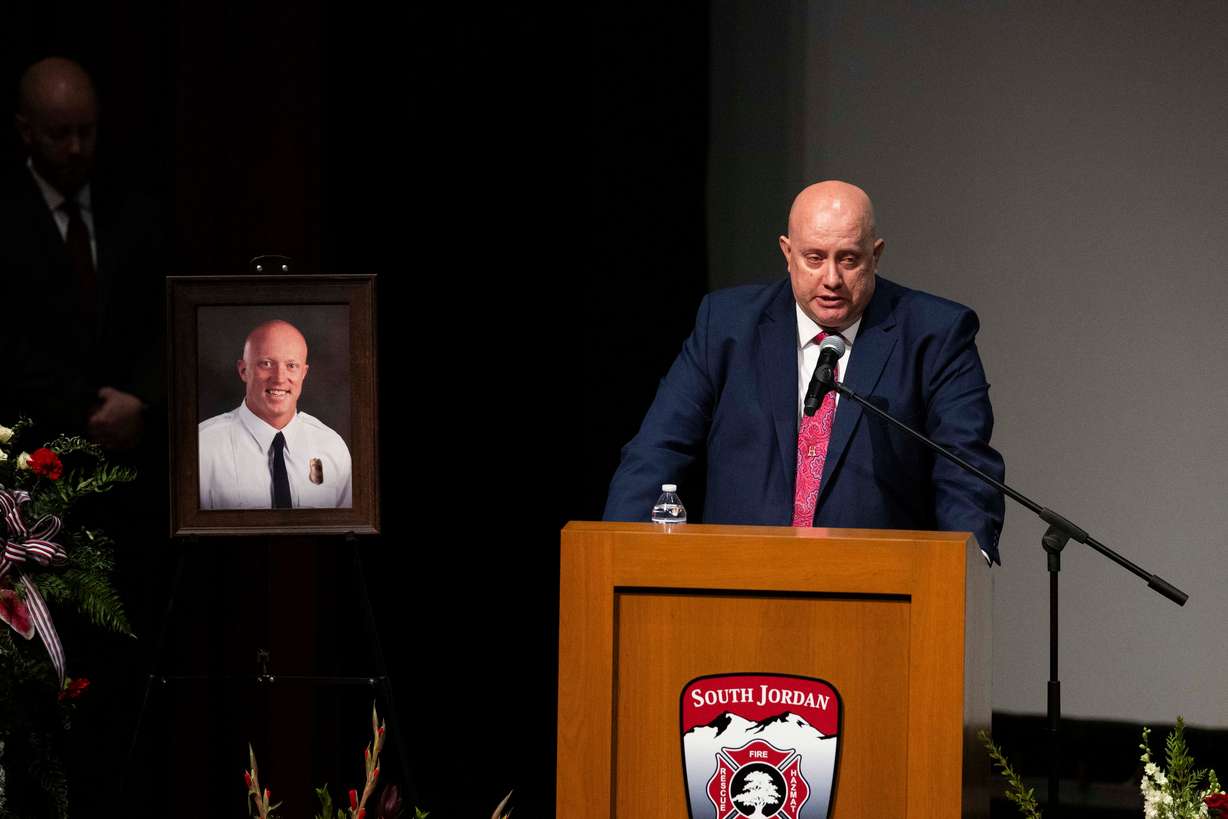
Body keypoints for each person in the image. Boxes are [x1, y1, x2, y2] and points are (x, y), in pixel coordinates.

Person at [603, 180, 1006, 563]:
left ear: (876, 254)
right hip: (739, 582)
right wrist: (620, 552)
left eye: (849, 259)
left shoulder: (934, 335)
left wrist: (966, 562)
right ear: (787, 252)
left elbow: (963, 464)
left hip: (880, 587)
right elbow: (658, 448)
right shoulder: (726, 326)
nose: (831, 279)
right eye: (814, 258)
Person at [0, 56, 163, 448]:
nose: (76, 148)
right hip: (34, 446)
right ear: (26, 130)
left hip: (135, 450)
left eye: (86, 132)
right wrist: (88, 411)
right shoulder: (5, 216)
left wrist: (141, 401)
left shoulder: (135, 207)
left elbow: (162, 318)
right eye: (59, 134)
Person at [198, 319, 352, 509]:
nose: (279, 378)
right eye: (267, 363)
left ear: (303, 373)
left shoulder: (332, 447)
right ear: (244, 370)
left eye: (291, 366)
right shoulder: (202, 447)